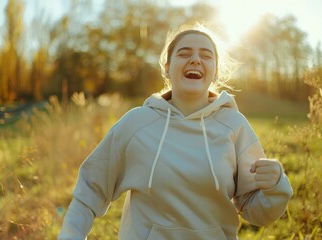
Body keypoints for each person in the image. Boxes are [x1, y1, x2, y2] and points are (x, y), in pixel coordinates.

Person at [58, 23, 293, 240]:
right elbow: (91, 189)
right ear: (167, 68)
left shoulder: (235, 126)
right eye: (184, 53)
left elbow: (258, 212)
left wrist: (275, 187)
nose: (195, 60)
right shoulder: (136, 123)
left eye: (205, 55)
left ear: (216, 72)